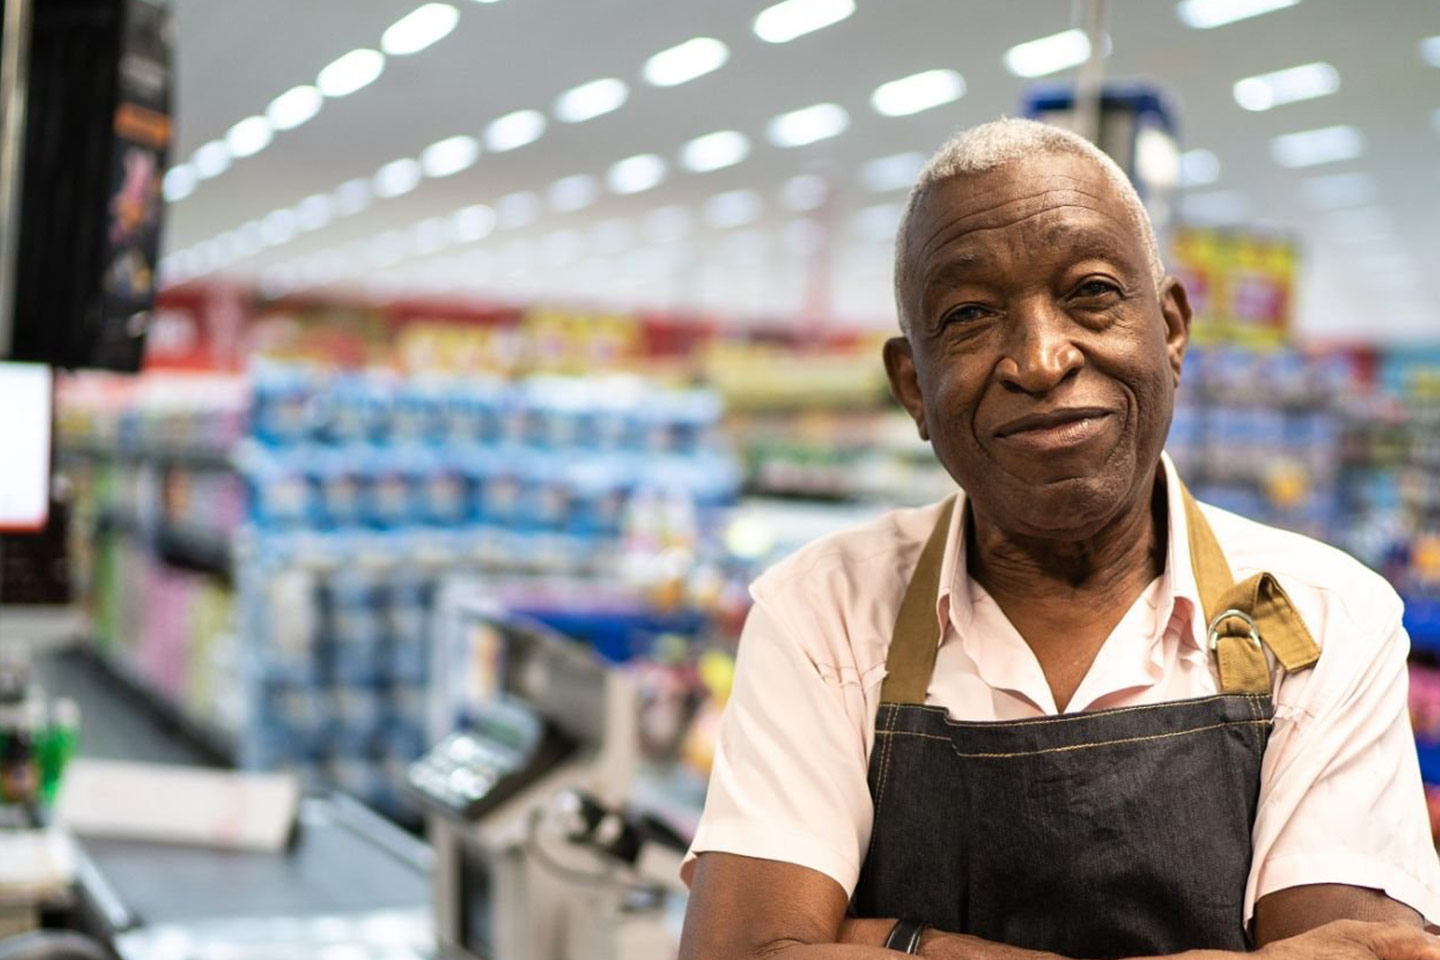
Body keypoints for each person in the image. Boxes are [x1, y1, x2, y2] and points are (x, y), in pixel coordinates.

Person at [678, 118, 1440, 960]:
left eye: (1091, 292)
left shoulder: (1329, 619)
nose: (1040, 359)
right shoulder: (822, 612)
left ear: (1173, 329)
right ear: (913, 389)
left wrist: (909, 943)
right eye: (969, 314)